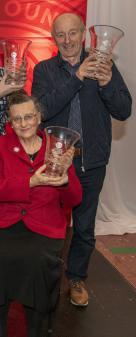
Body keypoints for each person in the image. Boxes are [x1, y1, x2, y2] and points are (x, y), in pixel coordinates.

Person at [32, 12, 132, 307]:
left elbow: (123, 110)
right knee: (49, 223)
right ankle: (46, 278)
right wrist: (76, 78)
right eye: (60, 35)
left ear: (83, 35)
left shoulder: (105, 65)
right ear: (54, 39)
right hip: (55, 162)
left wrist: (107, 82)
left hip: (91, 161)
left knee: (85, 227)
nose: (67, 40)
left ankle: (76, 278)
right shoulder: (45, 70)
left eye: (72, 33)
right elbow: (42, 111)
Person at [0, 92, 82, 337]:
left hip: (45, 224)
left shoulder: (57, 148)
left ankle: (35, 330)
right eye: (17, 119)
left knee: (39, 260)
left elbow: (75, 199)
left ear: (39, 117)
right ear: (10, 121)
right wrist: (30, 182)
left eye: (29, 116)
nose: (24, 123)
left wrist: (66, 178)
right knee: (1, 258)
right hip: (3, 223)